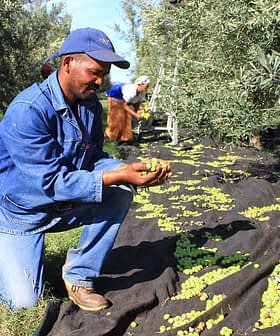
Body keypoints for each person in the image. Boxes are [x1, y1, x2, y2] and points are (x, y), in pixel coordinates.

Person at [0, 27, 171, 312]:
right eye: (94, 72)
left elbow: (91, 159)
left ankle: (79, 275)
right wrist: (118, 173)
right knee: (23, 304)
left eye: (104, 73)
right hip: (22, 213)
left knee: (120, 189)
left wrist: (129, 171)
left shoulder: (89, 103)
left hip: (62, 204)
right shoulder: (28, 110)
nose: (100, 81)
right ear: (68, 63)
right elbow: (51, 182)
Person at [105, 75, 150, 142]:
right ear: (140, 84)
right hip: (115, 95)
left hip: (124, 98)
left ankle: (124, 138)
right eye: (146, 85)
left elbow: (137, 103)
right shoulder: (131, 91)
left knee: (126, 118)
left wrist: (138, 112)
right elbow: (125, 106)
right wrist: (136, 115)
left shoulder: (142, 92)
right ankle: (109, 136)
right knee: (116, 118)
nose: (147, 87)